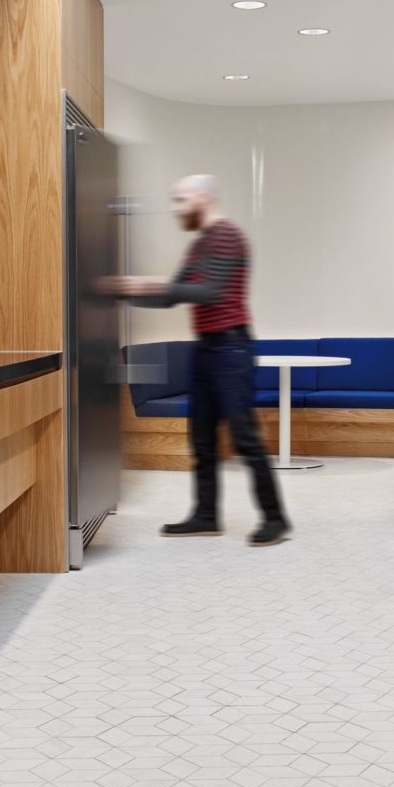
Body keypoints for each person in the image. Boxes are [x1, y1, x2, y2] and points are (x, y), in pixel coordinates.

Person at [108, 174, 290, 546]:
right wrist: (124, 292)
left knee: (244, 437)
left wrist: (148, 284)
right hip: (206, 349)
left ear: (203, 198)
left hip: (231, 348)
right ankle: (206, 515)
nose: (177, 208)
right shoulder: (199, 246)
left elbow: (209, 291)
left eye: (181, 200)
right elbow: (171, 296)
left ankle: (275, 518)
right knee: (202, 437)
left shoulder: (226, 236)